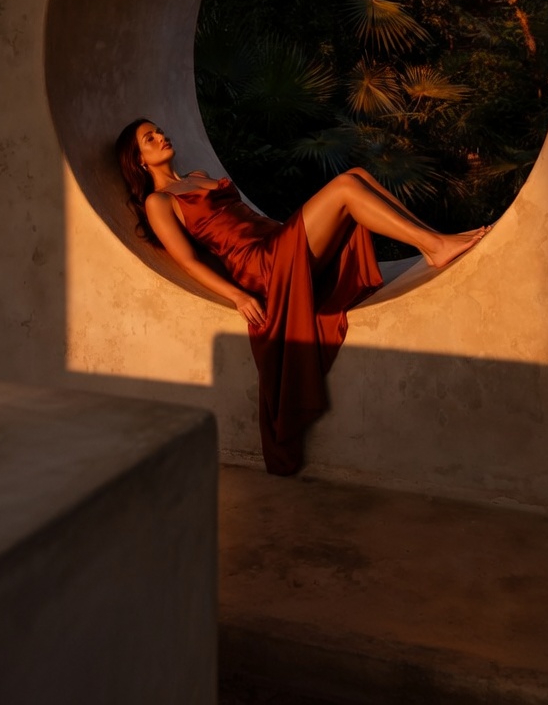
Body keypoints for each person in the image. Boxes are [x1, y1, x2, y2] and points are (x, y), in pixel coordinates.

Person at [116, 117, 488, 475]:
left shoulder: (198, 177)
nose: (161, 137)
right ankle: (435, 245)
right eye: (150, 138)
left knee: (356, 175)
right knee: (345, 186)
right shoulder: (159, 202)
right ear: (139, 160)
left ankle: (432, 240)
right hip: (261, 267)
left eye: (159, 131)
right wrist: (237, 296)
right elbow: (188, 260)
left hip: (275, 244)